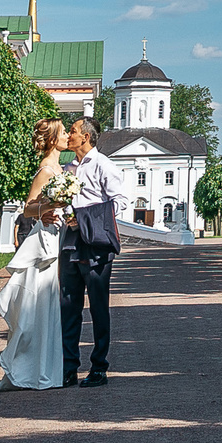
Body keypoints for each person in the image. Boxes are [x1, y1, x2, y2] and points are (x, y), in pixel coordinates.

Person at [0, 120, 68, 390]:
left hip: (55, 235)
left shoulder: (60, 168)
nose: (66, 137)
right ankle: (25, 370)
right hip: (43, 241)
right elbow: (27, 208)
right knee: (36, 305)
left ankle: (44, 370)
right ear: (51, 140)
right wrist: (45, 210)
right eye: (62, 133)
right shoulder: (46, 171)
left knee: (48, 304)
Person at [60, 115, 131, 387]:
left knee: (98, 308)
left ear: (86, 137)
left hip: (96, 245)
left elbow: (120, 202)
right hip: (70, 242)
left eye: (73, 131)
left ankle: (99, 367)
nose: (69, 135)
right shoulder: (68, 169)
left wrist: (85, 218)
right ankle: (69, 367)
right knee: (69, 306)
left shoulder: (104, 165)